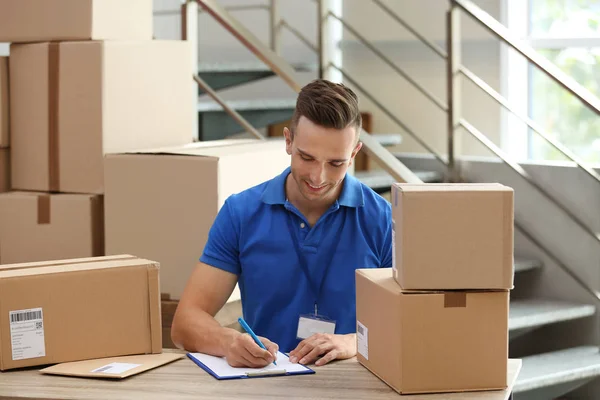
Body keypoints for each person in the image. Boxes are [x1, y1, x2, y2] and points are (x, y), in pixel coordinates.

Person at [171, 79, 392, 368]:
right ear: (288, 141)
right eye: (307, 157)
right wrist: (228, 341)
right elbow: (185, 323)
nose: (318, 177)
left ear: (354, 154)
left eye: (336, 163)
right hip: (266, 380)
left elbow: (414, 322)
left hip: (354, 383)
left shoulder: (382, 218)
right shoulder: (241, 213)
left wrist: (353, 341)